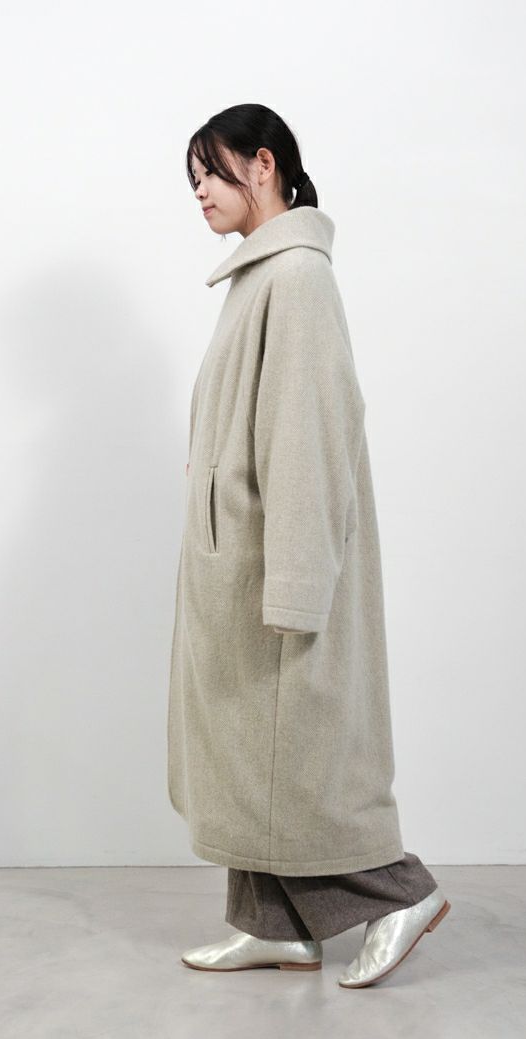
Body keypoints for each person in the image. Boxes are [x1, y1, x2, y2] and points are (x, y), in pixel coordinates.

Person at [166, 103, 450, 989]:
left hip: (270, 568)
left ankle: (398, 894)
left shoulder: (295, 278)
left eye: (211, 172)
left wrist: (294, 583)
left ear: (264, 165)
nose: (199, 193)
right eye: (191, 180)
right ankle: (276, 926)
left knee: (298, 766)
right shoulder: (258, 277)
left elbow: (308, 436)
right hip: (236, 565)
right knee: (246, 757)